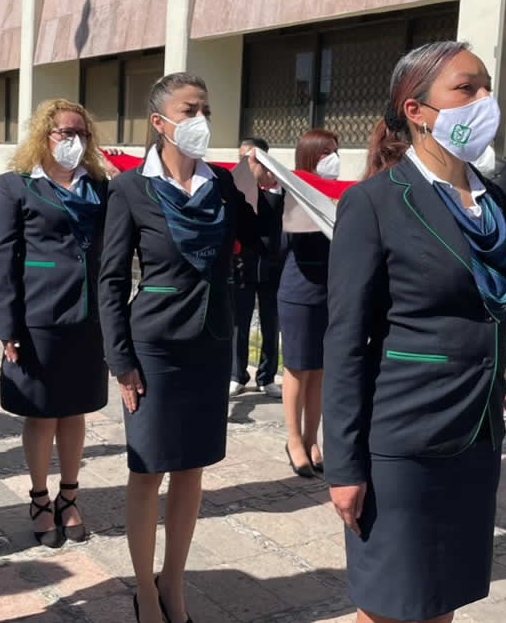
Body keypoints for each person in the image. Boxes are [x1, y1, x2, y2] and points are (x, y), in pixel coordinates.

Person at [324, 41, 506, 623]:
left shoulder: (495, 203)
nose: (484, 100)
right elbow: (347, 342)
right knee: (389, 605)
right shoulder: (374, 203)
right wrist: (344, 467)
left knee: (441, 600)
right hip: (405, 439)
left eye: (486, 86)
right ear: (417, 110)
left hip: (476, 435)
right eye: (465, 89)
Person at [98, 72, 275, 623]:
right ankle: (143, 590)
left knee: (192, 468)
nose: (200, 119)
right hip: (154, 348)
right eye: (189, 109)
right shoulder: (131, 189)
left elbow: (260, 241)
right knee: (148, 469)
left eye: (205, 109)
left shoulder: (220, 183)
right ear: (160, 122)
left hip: (209, 343)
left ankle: (172, 582)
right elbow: (109, 281)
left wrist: (264, 188)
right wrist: (121, 361)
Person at [0, 99, 110, 548]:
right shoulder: (16, 186)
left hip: (87, 317)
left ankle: (69, 496)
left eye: (81, 134)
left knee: (75, 410)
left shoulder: (99, 186)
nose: (73, 141)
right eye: (64, 133)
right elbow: (2, 259)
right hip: (37, 318)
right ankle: (40, 499)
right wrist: (7, 325)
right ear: (44, 135)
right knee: (40, 414)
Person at [280, 128, 340, 477]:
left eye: (335, 151)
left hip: (328, 293)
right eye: (325, 153)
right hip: (299, 292)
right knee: (297, 369)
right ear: (309, 157)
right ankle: (293, 440)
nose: (332, 158)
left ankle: (311, 437)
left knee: (318, 371)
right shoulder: (293, 195)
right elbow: (284, 246)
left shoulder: (338, 193)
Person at [230, 135, 284, 398]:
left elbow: (274, 220)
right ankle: (237, 374)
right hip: (242, 266)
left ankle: (267, 376)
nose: (245, 164)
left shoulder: (278, 189)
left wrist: (271, 186)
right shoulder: (234, 188)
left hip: (272, 266)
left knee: (270, 324)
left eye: (249, 158)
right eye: (241, 158)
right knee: (239, 323)